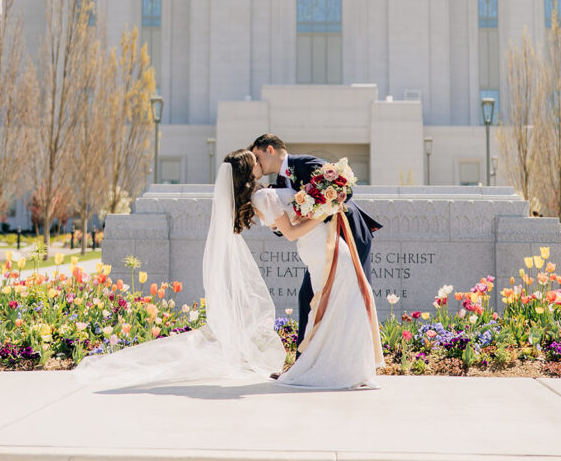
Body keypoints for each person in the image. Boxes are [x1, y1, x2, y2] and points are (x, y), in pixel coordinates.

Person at [75, 149, 382, 391]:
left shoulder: (263, 194)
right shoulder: (262, 196)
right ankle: (339, 368)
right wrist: (329, 209)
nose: (258, 160)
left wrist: (323, 203)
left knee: (342, 305)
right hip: (321, 248)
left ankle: (344, 367)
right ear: (248, 171)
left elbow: (294, 219)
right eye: (253, 160)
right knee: (347, 302)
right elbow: (291, 232)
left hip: (322, 249)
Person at [249, 134, 381, 348]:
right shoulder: (281, 182)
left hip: (347, 234)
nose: (256, 163)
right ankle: (305, 364)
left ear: (270, 149)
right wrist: (278, 224)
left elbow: (344, 191)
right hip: (321, 246)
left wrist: (313, 212)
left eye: (257, 156)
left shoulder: (304, 163)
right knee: (307, 297)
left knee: (354, 295)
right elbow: (288, 222)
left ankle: (358, 355)